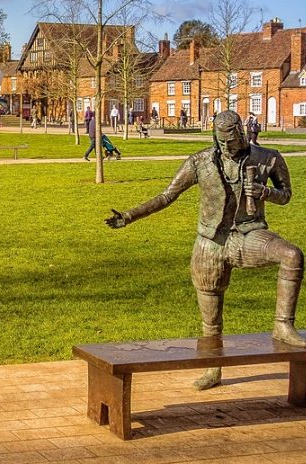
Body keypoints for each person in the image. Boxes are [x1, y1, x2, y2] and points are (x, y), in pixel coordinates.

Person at [105, 110, 305, 391]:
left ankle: (283, 325)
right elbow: (167, 195)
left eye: (232, 140)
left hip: (249, 234)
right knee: (210, 318)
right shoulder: (200, 162)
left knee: (292, 255)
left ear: (243, 134)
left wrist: (266, 193)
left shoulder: (268, 157)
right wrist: (129, 216)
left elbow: (286, 194)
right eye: (221, 141)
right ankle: (213, 368)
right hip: (210, 244)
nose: (226, 147)